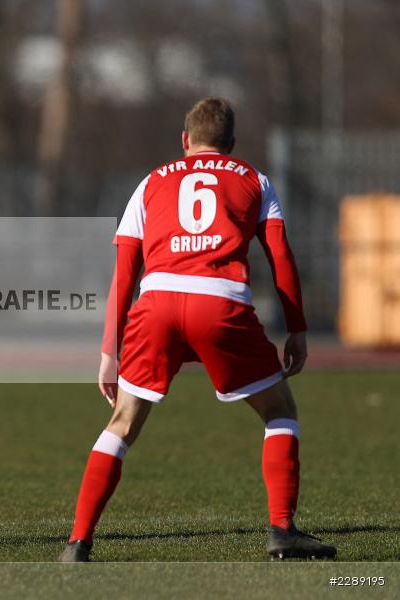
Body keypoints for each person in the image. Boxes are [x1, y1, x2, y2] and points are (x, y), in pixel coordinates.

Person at [58, 98, 336, 562]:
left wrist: (110, 350)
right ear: (231, 144)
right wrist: (298, 329)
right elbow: (280, 256)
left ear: (184, 140)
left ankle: (78, 542)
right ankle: (283, 530)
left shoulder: (149, 182)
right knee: (280, 412)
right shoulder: (254, 179)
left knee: (122, 423)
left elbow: (125, 273)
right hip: (220, 304)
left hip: (157, 304)